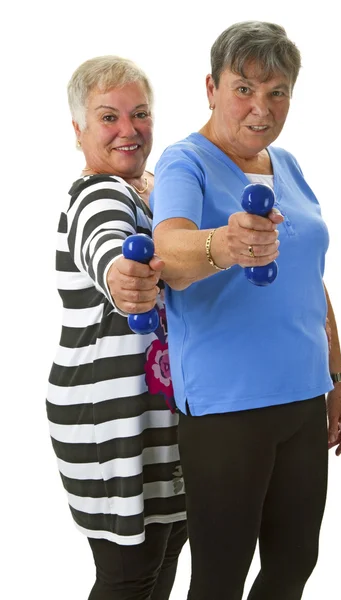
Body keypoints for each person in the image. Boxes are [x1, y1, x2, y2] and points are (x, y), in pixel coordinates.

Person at [151, 21, 341, 600]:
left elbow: (310, 282)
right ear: (211, 88)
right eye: (244, 88)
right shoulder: (183, 162)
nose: (260, 108)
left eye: (277, 91)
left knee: (294, 567)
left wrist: (336, 379)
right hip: (227, 409)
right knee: (219, 581)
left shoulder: (286, 165)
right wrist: (226, 244)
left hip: (302, 400)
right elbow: (170, 249)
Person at [46, 56, 186, 600]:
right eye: (109, 117)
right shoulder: (99, 193)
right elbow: (104, 243)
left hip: (156, 415)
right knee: (130, 576)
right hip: (111, 421)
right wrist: (121, 275)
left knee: (163, 558)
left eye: (140, 114)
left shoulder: (148, 190)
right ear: (78, 129)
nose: (129, 130)